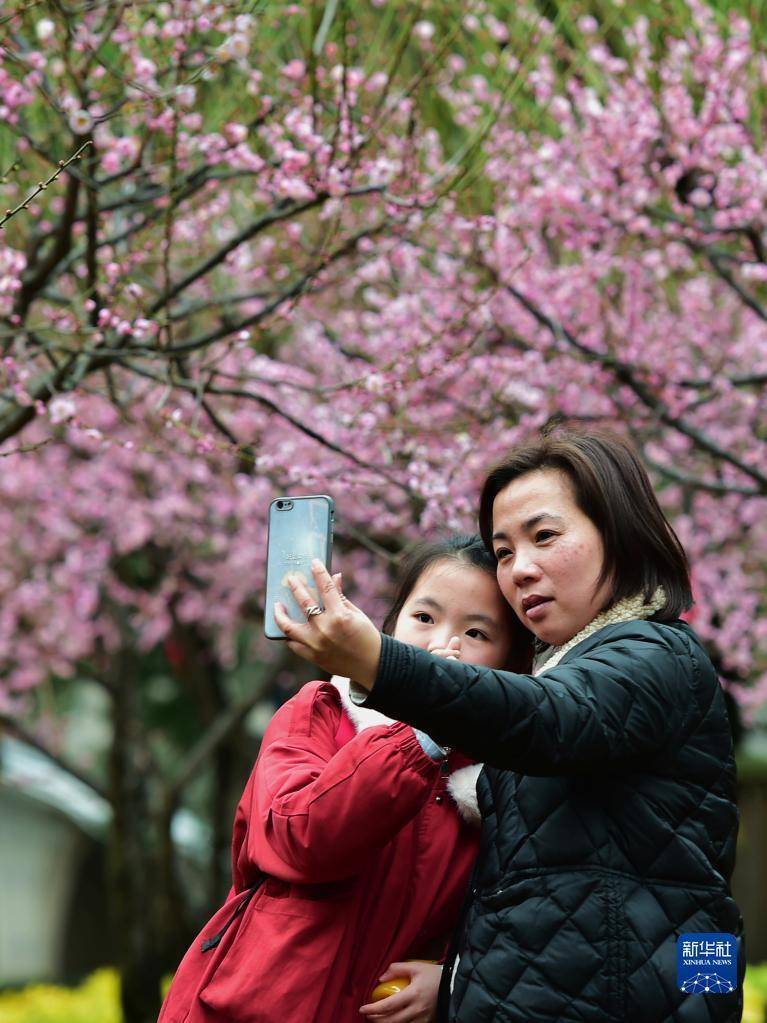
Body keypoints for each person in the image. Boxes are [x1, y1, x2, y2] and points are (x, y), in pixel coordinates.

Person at [275, 430, 745, 1023]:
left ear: (618, 534)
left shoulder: (656, 652)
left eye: (545, 536)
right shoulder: (566, 671)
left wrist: (380, 662)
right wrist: (456, 983)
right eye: (502, 551)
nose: (520, 569)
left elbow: (551, 719)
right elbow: (550, 909)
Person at [158, 535, 531, 1023]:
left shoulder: (500, 781)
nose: (444, 646)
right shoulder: (323, 712)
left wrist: (454, 979)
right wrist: (420, 734)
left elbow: (517, 921)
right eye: (424, 618)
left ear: (511, 661)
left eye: (477, 634)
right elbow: (300, 839)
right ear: (389, 627)